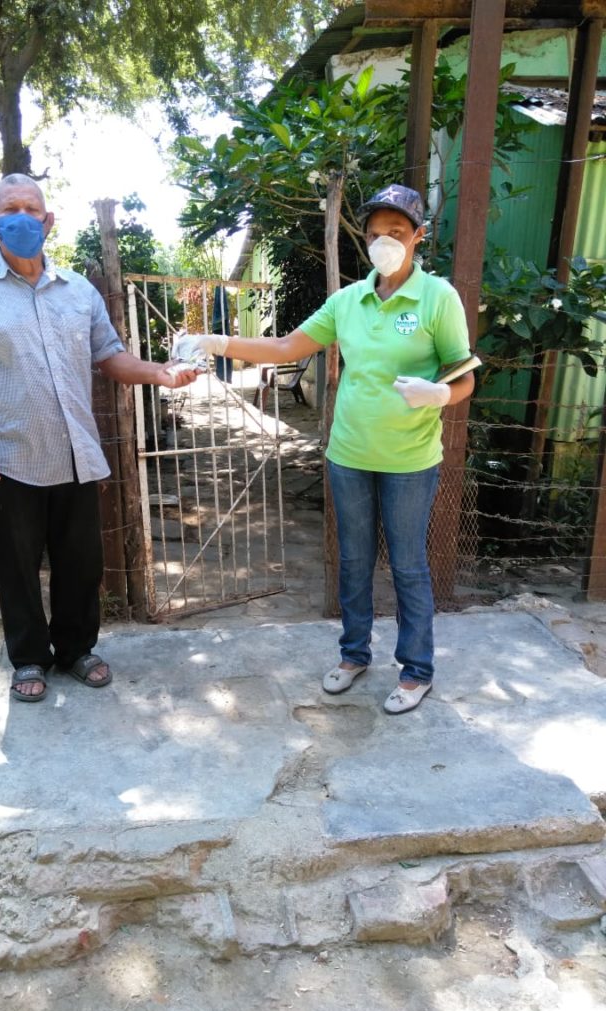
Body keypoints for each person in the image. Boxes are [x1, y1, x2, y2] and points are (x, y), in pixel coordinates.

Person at [174, 184, 474, 715]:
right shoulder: (348, 301)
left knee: (407, 566)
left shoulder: (438, 298)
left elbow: (464, 373)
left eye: (398, 233)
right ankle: (354, 654)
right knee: (353, 561)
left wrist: (443, 393)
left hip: (410, 459)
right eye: (376, 234)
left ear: (419, 237)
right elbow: (287, 346)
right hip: (349, 454)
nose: (385, 242)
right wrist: (217, 343)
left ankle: (416, 670)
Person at [0, 174, 198, 703]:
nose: (22, 217)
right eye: (11, 210)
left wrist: (161, 373)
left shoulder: (78, 292)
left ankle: (75, 649)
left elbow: (111, 358)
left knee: (80, 564)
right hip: (7, 455)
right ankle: (28, 657)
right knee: (17, 566)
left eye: (32, 208)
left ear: (49, 222)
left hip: (76, 452)